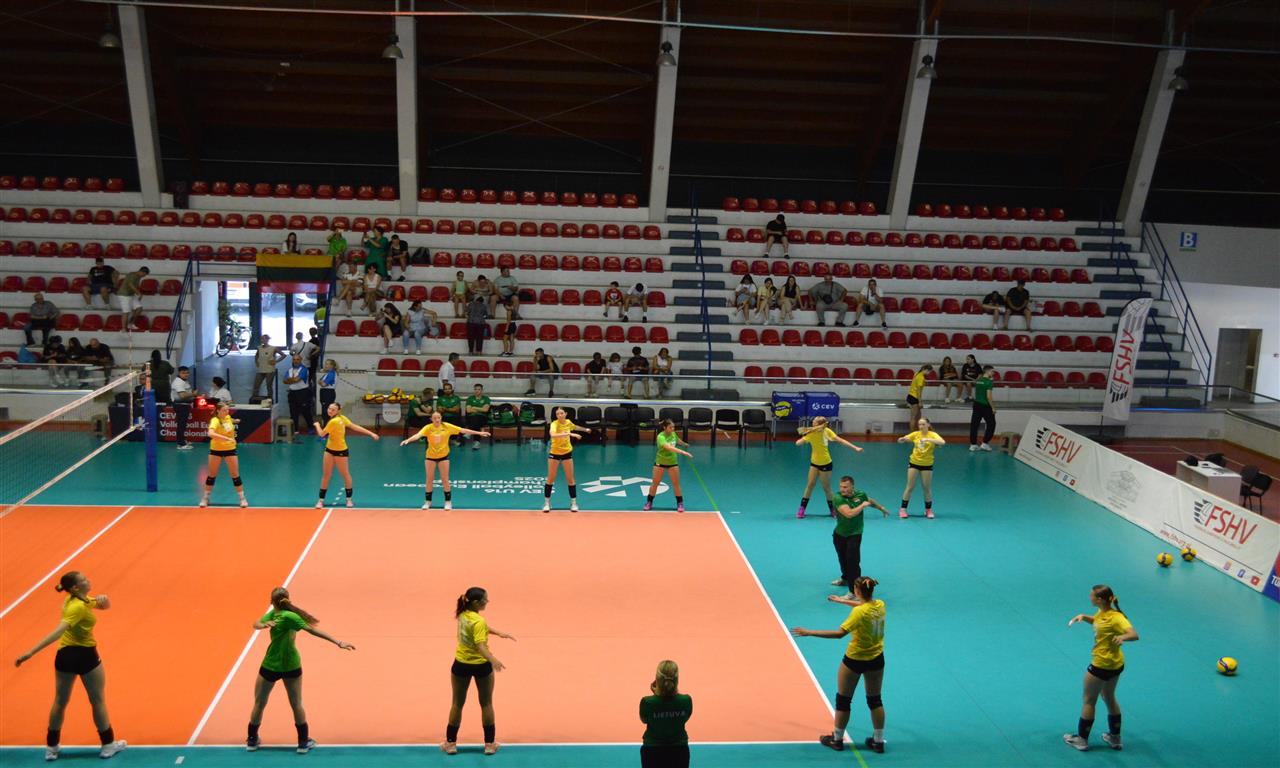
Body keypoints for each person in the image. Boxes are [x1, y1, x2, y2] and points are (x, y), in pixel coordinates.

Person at [12, 571, 128, 761]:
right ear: (75, 587)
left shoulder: (76, 600)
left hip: (65, 656)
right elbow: (58, 631)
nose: (88, 579)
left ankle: (51, 747)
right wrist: (31, 652)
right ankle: (108, 745)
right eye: (84, 580)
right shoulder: (77, 607)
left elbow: (103, 606)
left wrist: (105, 600)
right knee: (97, 700)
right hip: (86, 656)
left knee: (60, 701)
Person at [247, 587, 355, 754]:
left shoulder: (279, 614)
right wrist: (338, 642)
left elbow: (256, 624)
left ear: (272, 601)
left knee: (259, 703)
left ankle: (252, 740)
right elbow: (311, 629)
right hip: (291, 666)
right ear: (287, 600)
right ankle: (303, 742)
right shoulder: (285, 615)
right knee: (296, 703)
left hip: (270, 665)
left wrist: (263, 624)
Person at [790, 576, 887, 754]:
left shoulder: (858, 613)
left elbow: (839, 634)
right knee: (875, 700)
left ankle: (836, 739)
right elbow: (863, 606)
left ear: (857, 591)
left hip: (855, 660)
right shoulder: (880, 605)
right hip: (876, 659)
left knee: (843, 700)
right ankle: (878, 741)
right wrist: (841, 601)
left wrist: (809, 632)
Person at [1063, 585, 1139, 752]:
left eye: (1091, 595)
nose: (1089, 597)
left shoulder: (1116, 617)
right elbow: (1100, 623)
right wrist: (1084, 617)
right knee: (1109, 697)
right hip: (1116, 664)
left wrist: (1122, 637)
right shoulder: (1103, 613)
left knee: (1089, 701)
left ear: (1100, 600)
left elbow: (1134, 634)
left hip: (1101, 664)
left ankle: (1082, 739)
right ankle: (1115, 738)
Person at [443, 587, 514, 757]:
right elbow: (480, 646)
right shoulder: (479, 621)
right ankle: (489, 745)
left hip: (461, 664)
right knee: (486, 704)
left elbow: (478, 628)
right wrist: (493, 660)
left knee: (457, 704)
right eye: (485, 600)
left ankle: (450, 744)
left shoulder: (462, 614)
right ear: (476, 603)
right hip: (481, 666)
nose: (487, 602)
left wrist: (498, 632)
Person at [401, 411, 491, 509]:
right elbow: (418, 435)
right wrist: (408, 440)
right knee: (429, 479)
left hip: (443, 457)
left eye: (438, 418)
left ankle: (448, 502)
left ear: (441, 418)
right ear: (431, 419)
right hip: (430, 457)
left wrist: (479, 433)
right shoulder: (428, 428)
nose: (437, 420)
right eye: (434, 418)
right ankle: (428, 502)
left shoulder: (447, 426)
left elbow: (463, 430)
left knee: (445, 479)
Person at [795, 415, 864, 519]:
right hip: (814, 463)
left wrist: (855, 448)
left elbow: (841, 440)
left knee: (826, 487)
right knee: (810, 485)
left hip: (826, 463)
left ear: (819, 424)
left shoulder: (826, 432)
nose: (812, 422)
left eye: (814, 421)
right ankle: (802, 509)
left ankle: (833, 509)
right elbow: (798, 443)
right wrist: (807, 435)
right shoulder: (811, 433)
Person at [313, 402, 380, 508]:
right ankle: (321, 500)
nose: (330, 411)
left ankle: (349, 499)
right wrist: (371, 433)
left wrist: (317, 425)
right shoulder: (341, 418)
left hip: (341, 451)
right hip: (329, 451)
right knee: (326, 475)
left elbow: (322, 434)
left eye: (333, 410)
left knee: (345, 474)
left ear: (338, 411)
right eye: (329, 408)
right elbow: (354, 427)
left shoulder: (335, 421)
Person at [829, 476, 888, 592]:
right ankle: (845, 579)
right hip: (839, 534)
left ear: (852, 487)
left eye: (845, 487)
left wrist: (881, 508)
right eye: (841, 487)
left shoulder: (860, 494)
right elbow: (849, 514)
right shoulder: (837, 497)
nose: (842, 489)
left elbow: (869, 501)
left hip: (855, 534)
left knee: (853, 562)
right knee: (843, 559)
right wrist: (862, 506)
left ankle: (854, 591)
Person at [639, 660, 693, 768]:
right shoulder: (686, 701)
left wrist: (657, 694)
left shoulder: (647, 702)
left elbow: (644, 719)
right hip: (679, 751)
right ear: (676, 679)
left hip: (652, 751)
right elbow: (685, 717)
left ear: (657, 680)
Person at [201, 402, 248, 508]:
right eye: (224, 410)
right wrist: (226, 438)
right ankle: (205, 498)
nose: (227, 412)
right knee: (211, 475)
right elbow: (210, 433)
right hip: (216, 450)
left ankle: (242, 498)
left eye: (228, 410)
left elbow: (229, 420)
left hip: (230, 449)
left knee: (235, 475)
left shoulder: (227, 417)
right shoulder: (215, 420)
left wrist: (235, 421)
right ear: (218, 411)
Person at [543, 406, 590, 512]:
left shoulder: (568, 422)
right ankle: (547, 503)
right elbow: (553, 435)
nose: (559, 415)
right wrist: (569, 433)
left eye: (561, 413)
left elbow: (575, 427)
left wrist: (585, 429)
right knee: (550, 479)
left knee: (570, 479)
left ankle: (573, 503)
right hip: (554, 453)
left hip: (567, 453)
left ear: (565, 414)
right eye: (557, 414)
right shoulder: (554, 424)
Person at [897, 417, 944, 519]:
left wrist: (929, 439)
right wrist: (902, 440)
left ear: (928, 425)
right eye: (919, 424)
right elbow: (904, 439)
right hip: (914, 463)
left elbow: (942, 442)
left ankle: (928, 510)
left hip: (927, 464)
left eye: (923, 424)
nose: (921, 426)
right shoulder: (916, 434)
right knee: (910, 487)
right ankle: (903, 509)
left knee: (926, 488)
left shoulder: (933, 435)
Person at [644, 419, 692, 513]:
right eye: (670, 427)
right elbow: (669, 447)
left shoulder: (673, 434)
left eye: (673, 427)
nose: (673, 429)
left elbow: (677, 440)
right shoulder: (660, 437)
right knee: (655, 483)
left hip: (672, 463)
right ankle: (649, 502)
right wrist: (683, 452)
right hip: (660, 463)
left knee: (676, 484)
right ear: (664, 427)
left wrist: (684, 444)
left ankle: (680, 503)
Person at [969, 366, 998, 452]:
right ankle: (985, 443)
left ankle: (973, 445)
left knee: (974, 425)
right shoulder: (989, 382)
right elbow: (989, 397)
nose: (993, 373)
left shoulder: (978, 380)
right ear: (987, 371)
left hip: (976, 404)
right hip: (985, 406)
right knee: (991, 424)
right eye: (992, 371)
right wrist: (993, 407)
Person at [284, 354, 311, 437]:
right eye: (294, 359)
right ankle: (295, 429)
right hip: (292, 393)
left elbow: (296, 380)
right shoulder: (290, 370)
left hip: (303, 393)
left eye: (297, 359)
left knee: (306, 411)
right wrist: (291, 380)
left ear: (301, 360)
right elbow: (284, 381)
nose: (295, 361)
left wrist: (290, 380)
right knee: (293, 412)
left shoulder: (304, 369)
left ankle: (311, 428)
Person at [253, 335, 286, 400]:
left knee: (269, 386)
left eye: (263, 339)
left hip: (270, 370)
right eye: (261, 339)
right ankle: (254, 398)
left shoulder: (273, 348)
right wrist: (256, 362)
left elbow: (283, 355)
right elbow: (256, 356)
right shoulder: (259, 348)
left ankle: (270, 398)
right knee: (256, 385)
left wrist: (276, 361)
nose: (262, 340)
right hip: (261, 369)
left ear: (267, 340)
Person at [172, 365, 197, 450]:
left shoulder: (184, 381)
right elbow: (182, 395)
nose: (186, 374)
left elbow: (186, 392)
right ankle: (181, 444)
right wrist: (193, 394)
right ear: (179, 373)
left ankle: (182, 440)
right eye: (183, 373)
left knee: (183, 424)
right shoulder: (178, 382)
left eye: (187, 373)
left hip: (185, 405)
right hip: (180, 406)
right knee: (181, 425)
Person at [117, 266, 148, 330]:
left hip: (131, 295)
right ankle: (124, 329)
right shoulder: (132, 275)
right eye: (144, 275)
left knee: (139, 308)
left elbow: (136, 286)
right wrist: (138, 293)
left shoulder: (139, 276)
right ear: (141, 272)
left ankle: (130, 324)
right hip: (124, 295)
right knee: (126, 312)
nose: (143, 276)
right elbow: (131, 285)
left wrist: (138, 295)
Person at [464, 384, 492, 450]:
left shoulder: (486, 398)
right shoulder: (470, 398)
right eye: (475, 389)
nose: (477, 391)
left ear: (482, 390)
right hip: (471, 417)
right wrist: (480, 409)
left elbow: (485, 409)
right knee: (476, 420)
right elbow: (468, 410)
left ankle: (469, 432)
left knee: (477, 418)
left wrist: (474, 407)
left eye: (479, 389)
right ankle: (476, 443)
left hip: (482, 417)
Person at [906, 363, 932, 432]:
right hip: (914, 397)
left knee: (918, 415)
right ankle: (912, 434)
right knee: (913, 417)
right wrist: (920, 401)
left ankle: (918, 431)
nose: (928, 373)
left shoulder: (917, 373)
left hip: (911, 395)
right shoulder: (921, 377)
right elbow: (919, 390)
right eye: (928, 371)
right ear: (924, 369)